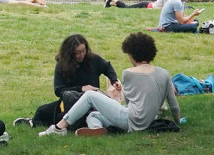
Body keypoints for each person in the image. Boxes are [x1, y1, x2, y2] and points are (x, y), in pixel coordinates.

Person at [40, 32, 181, 137]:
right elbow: (174, 105)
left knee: (90, 95)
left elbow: (129, 102)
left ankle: (59, 128)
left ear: (132, 54)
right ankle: (97, 130)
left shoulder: (129, 73)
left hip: (132, 120)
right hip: (150, 120)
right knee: (93, 116)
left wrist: (113, 96)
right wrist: (177, 122)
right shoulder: (164, 73)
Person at [22, 34, 120, 128]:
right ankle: (32, 122)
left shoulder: (93, 59)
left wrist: (114, 80)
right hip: (71, 102)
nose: (81, 55)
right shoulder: (62, 66)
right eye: (77, 53)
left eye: (83, 51)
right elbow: (59, 90)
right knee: (42, 111)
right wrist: (81, 88)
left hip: (93, 103)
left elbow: (107, 67)